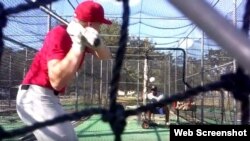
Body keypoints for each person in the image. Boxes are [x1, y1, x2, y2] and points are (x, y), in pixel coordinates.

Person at [16, 1, 112, 141]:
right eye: (100, 23)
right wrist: (78, 45)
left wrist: (96, 41)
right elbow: (57, 81)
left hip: (49, 98)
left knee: (71, 137)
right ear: (90, 24)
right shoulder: (59, 34)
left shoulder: (82, 37)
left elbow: (105, 56)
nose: (101, 27)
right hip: (34, 98)